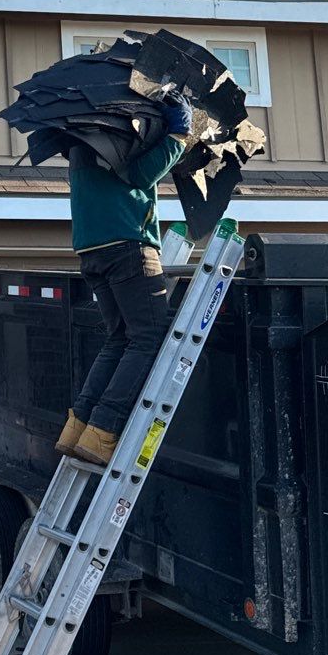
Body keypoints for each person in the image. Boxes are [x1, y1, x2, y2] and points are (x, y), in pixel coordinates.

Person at [56, 94, 191, 468]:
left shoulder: (80, 136)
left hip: (92, 250)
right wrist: (177, 135)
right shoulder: (119, 131)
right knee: (148, 337)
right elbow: (141, 174)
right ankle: (104, 431)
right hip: (128, 245)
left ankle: (79, 426)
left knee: (119, 337)